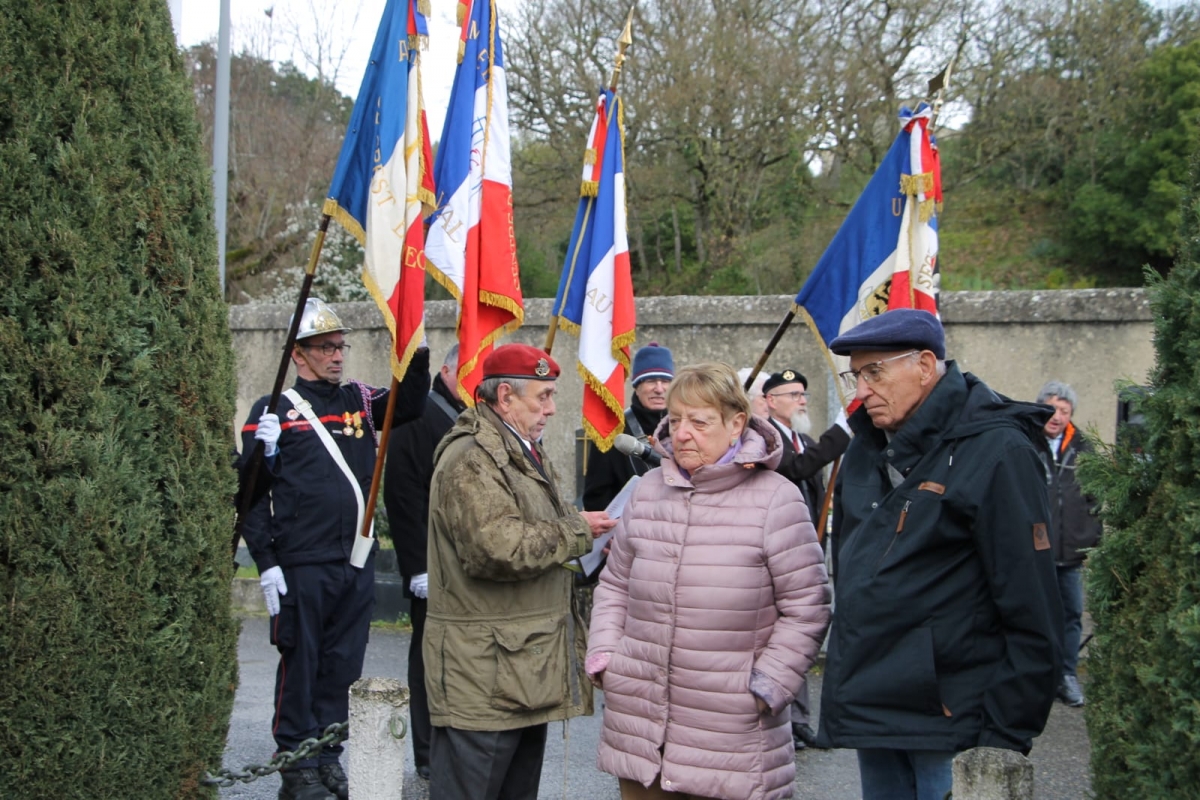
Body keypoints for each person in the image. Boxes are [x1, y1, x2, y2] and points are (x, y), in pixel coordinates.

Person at [816, 309, 1062, 800]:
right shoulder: (864, 448)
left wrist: (1004, 736)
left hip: (955, 720)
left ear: (925, 366)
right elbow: (854, 573)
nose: (861, 390)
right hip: (876, 709)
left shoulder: (996, 450)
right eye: (855, 375)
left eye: (874, 372)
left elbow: (1032, 606)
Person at [587, 362, 832, 800]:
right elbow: (615, 584)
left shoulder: (776, 499)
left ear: (736, 424)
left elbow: (807, 607)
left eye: (699, 422)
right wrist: (607, 657)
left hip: (731, 734)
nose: (682, 434)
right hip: (641, 729)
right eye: (676, 419)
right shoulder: (647, 492)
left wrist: (767, 686)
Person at [238, 298, 430, 800]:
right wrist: (266, 562)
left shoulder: (359, 400)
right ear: (298, 354)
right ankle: (296, 763)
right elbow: (250, 496)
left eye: (340, 346)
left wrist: (417, 348)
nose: (337, 355)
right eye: (325, 347)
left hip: (355, 559)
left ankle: (327, 755)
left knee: (343, 664)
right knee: (302, 664)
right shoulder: (274, 410)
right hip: (302, 562)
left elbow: (410, 403)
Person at [423, 343, 616, 800]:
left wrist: (588, 545)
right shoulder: (473, 457)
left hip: (522, 665)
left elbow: (535, 533)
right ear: (505, 397)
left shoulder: (519, 449)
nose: (551, 408)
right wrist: (577, 531)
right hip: (484, 671)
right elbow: (496, 548)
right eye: (543, 396)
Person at [382, 344, 466, 781]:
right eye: (466, 369)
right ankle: (427, 750)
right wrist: (415, 565)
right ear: (446, 370)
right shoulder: (420, 414)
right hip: (430, 563)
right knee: (429, 658)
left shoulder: (475, 416)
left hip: (466, 564)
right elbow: (401, 492)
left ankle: (457, 744)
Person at [760, 368, 851, 750]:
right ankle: (783, 717)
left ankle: (798, 720)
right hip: (776, 549)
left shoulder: (806, 440)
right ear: (770, 401)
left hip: (806, 547)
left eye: (803, 394)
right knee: (779, 634)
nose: (802, 401)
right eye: (793, 394)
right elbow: (795, 467)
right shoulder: (765, 439)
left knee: (802, 634)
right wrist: (841, 432)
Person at [1036, 380, 1102, 708]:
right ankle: (1037, 679)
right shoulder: (1026, 442)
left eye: (1064, 410)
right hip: (1036, 551)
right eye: (1052, 409)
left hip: (1071, 553)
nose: (1057, 416)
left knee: (1072, 614)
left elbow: (1095, 498)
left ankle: (1066, 675)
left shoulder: (1083, 448)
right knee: (1035, 616)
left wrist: (1091, 538)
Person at [583, 342, 675, 512]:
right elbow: (596, 498)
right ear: (637, 387)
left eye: (665, 381)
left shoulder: (683, 428)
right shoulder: (613, 431)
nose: (659, 389)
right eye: (651, 381)